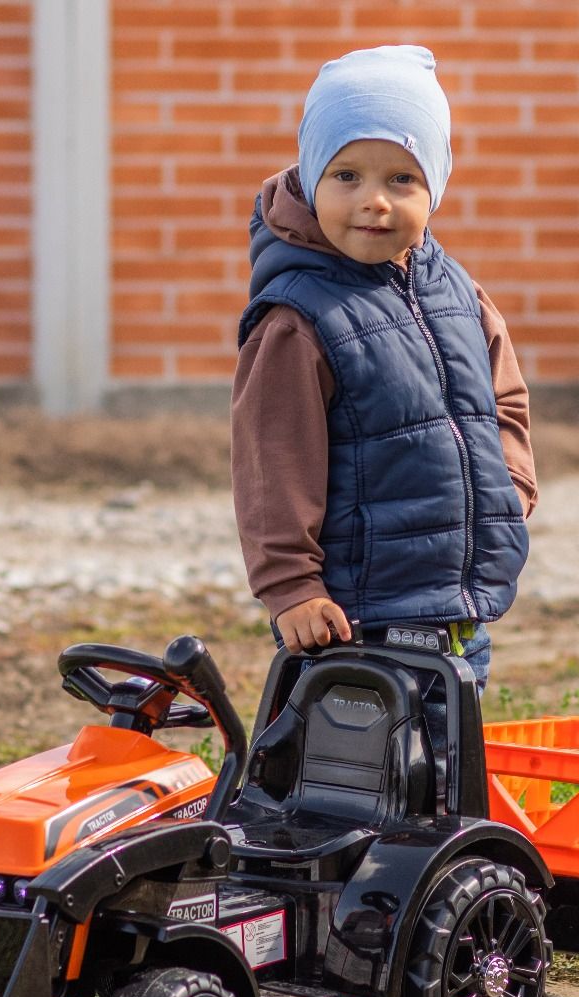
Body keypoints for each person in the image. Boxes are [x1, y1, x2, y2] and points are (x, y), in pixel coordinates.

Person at [230, 43, 537, 702]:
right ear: (312, 176)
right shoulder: (299, 318)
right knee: (354, 790)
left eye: (402, 179)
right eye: (347, 176)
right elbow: (272, 464)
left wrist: (508, 488)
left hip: (456, 619)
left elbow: (503, 399)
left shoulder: (457, 293)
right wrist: (291, 587)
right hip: (354, 624)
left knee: (443, 785)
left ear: (436, 186)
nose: (373, 200)